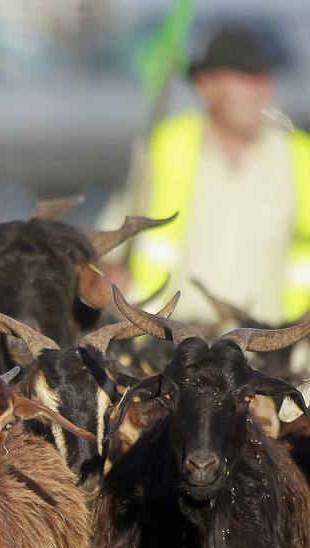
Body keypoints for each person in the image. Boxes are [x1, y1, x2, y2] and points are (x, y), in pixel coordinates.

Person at [118, 24, 310, 324]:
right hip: (174, 346)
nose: (262, 93)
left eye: (265, 80)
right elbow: (114, 242)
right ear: (207, 86)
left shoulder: (301, 157)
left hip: (270, 352)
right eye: (247, 79)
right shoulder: (165, 147)